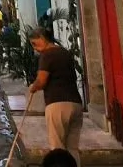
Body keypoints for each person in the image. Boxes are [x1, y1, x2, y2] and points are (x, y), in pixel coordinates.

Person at [28, 28, 83, 162]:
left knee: (58, 149)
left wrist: (32, 87)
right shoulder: (65, 53)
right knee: (72, 149)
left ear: (42, 38)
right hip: (76, 103)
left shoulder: (47, 55)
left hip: (57, 104)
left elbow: (41, 81)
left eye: (35, 44)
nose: (35, 49)